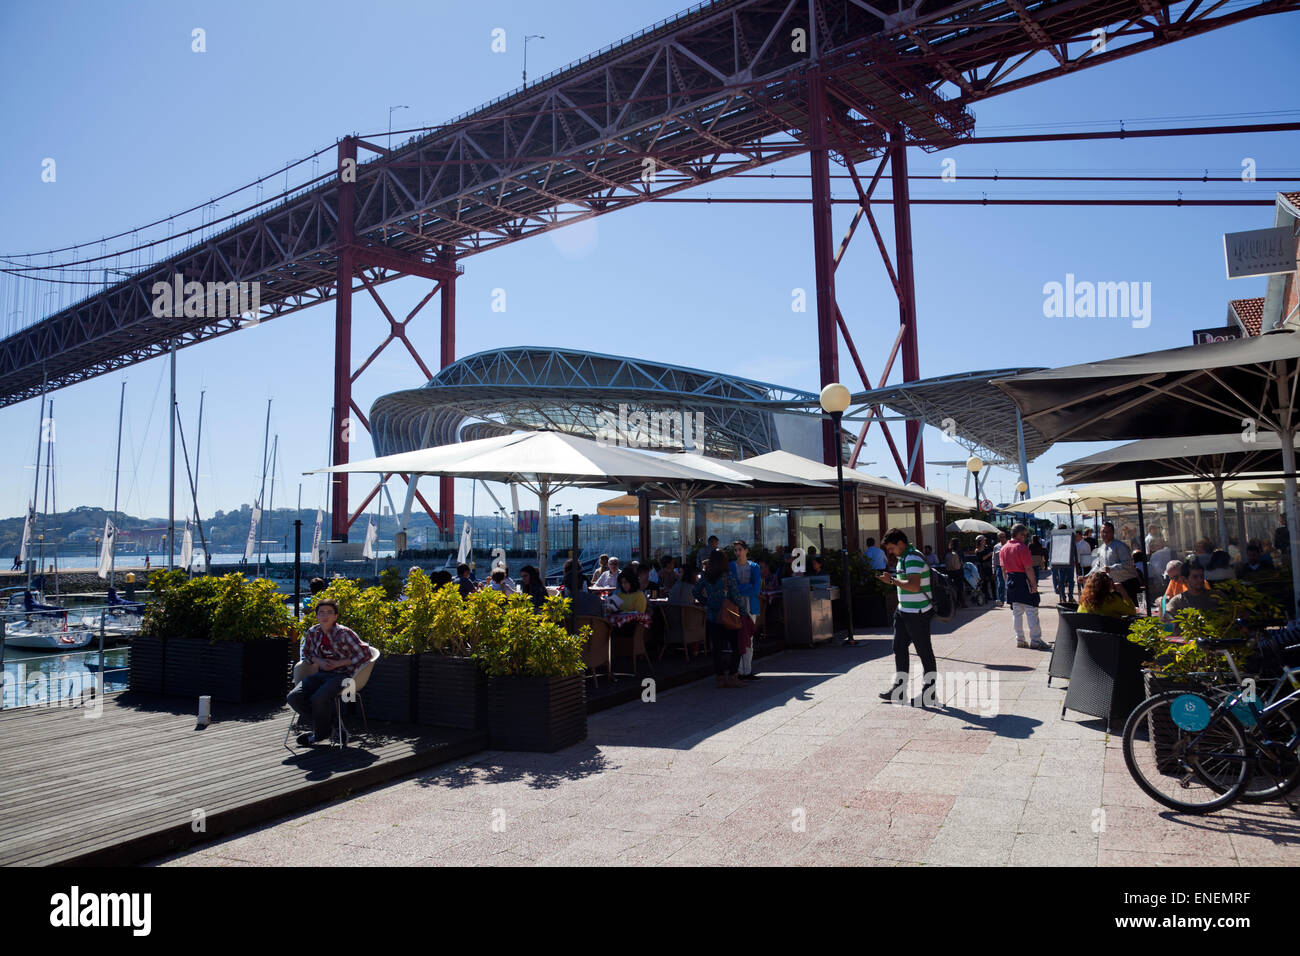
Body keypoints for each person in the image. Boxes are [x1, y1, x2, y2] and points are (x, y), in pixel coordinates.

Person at [287, 599, 373, 746]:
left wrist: (339, 663)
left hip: (343, 675)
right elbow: (306, 653)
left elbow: (366, 653)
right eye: (321, 612)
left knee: (318, 698)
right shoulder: (313, 632)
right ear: (316, 616)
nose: (325, 615)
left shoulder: (345, 633)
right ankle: (332, 725)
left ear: (335, 616)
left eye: (329, 612)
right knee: (294, 697)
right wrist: (318, 661)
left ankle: (320, 734)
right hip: (321, 674)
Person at [876, 528, 937, 706]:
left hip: (917, 613)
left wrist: (892, 581)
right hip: (904, 611)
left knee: (924, 651)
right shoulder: (905, 557)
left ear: (901, 544)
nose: (890, 551)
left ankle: (929, 692)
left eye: (892, 548)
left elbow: (914, 586)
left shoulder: (913, 558)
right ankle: (899, 689)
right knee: (899, 647)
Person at [694, 551, 743, 689]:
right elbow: (736, 596)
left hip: (712, 617)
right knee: (736, 647)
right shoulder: (728, 576)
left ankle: (720, 677)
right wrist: (742, 612)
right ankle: (733, 676)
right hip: (728, 616)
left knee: (717, 648)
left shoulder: (706, 576)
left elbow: (695, 592)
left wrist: (706, 601)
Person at [1001, 523, 1048, 650]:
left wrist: (1007, 584)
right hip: (1023, 579)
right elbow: (1028, 568)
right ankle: (1036, 640)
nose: (1025, 537)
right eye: (1024, 534)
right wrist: (1033, 585)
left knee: (1016, 612)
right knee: (1031, 611)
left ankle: (1020, 639)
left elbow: (1003, 570)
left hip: (1011, 580)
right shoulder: (1022, 547)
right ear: (1018, 534)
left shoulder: (1004, 548)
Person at [729, 540, 762, 674]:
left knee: (748, 637)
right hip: (735, 606)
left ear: (746, 550)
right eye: (736, 550)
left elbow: (756, 589)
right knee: (737, 637)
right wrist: (747, 586)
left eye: (740, 549)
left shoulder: (754, 567)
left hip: (750, 605)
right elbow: (732, 588)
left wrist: (740, 588)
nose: (738, 552)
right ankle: (738, 669)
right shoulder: (731, 566)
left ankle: (747, 670)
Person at [1090, 521, 1138, 603]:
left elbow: (1128, 564)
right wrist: (1087, 576)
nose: (1104, 534)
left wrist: (1110, 568)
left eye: (1107, 532)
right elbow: (1098, 566)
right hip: (1112, 586)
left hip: (1126, 584)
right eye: (1102, 532)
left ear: (1112, 533)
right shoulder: (1101, 548)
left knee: (1132, 610)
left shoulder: (1120, 546)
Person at [973, 535, 994, 603]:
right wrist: (989, 555)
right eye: (983, 540)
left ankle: (994, 596)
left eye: (985, 540)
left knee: (992, 581)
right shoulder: (977, 550)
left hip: (989, 566)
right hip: (982, 567)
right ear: (980, 541)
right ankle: (986, 596)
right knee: (984, 582)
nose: (985, 541)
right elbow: (981, 559)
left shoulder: (987, 547)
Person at [992, 531, 1008, 608]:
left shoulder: (1009, 545)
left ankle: (1011, 600)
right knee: (1000, 584)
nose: (1002, 538)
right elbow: (994, 559)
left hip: (1009, 567)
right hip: (999, 567)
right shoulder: (996, 547)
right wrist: (993, 570)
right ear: (998, 538)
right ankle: (1001, 601)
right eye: (1001, 537)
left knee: (1009, 584)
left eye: (1003, 536)